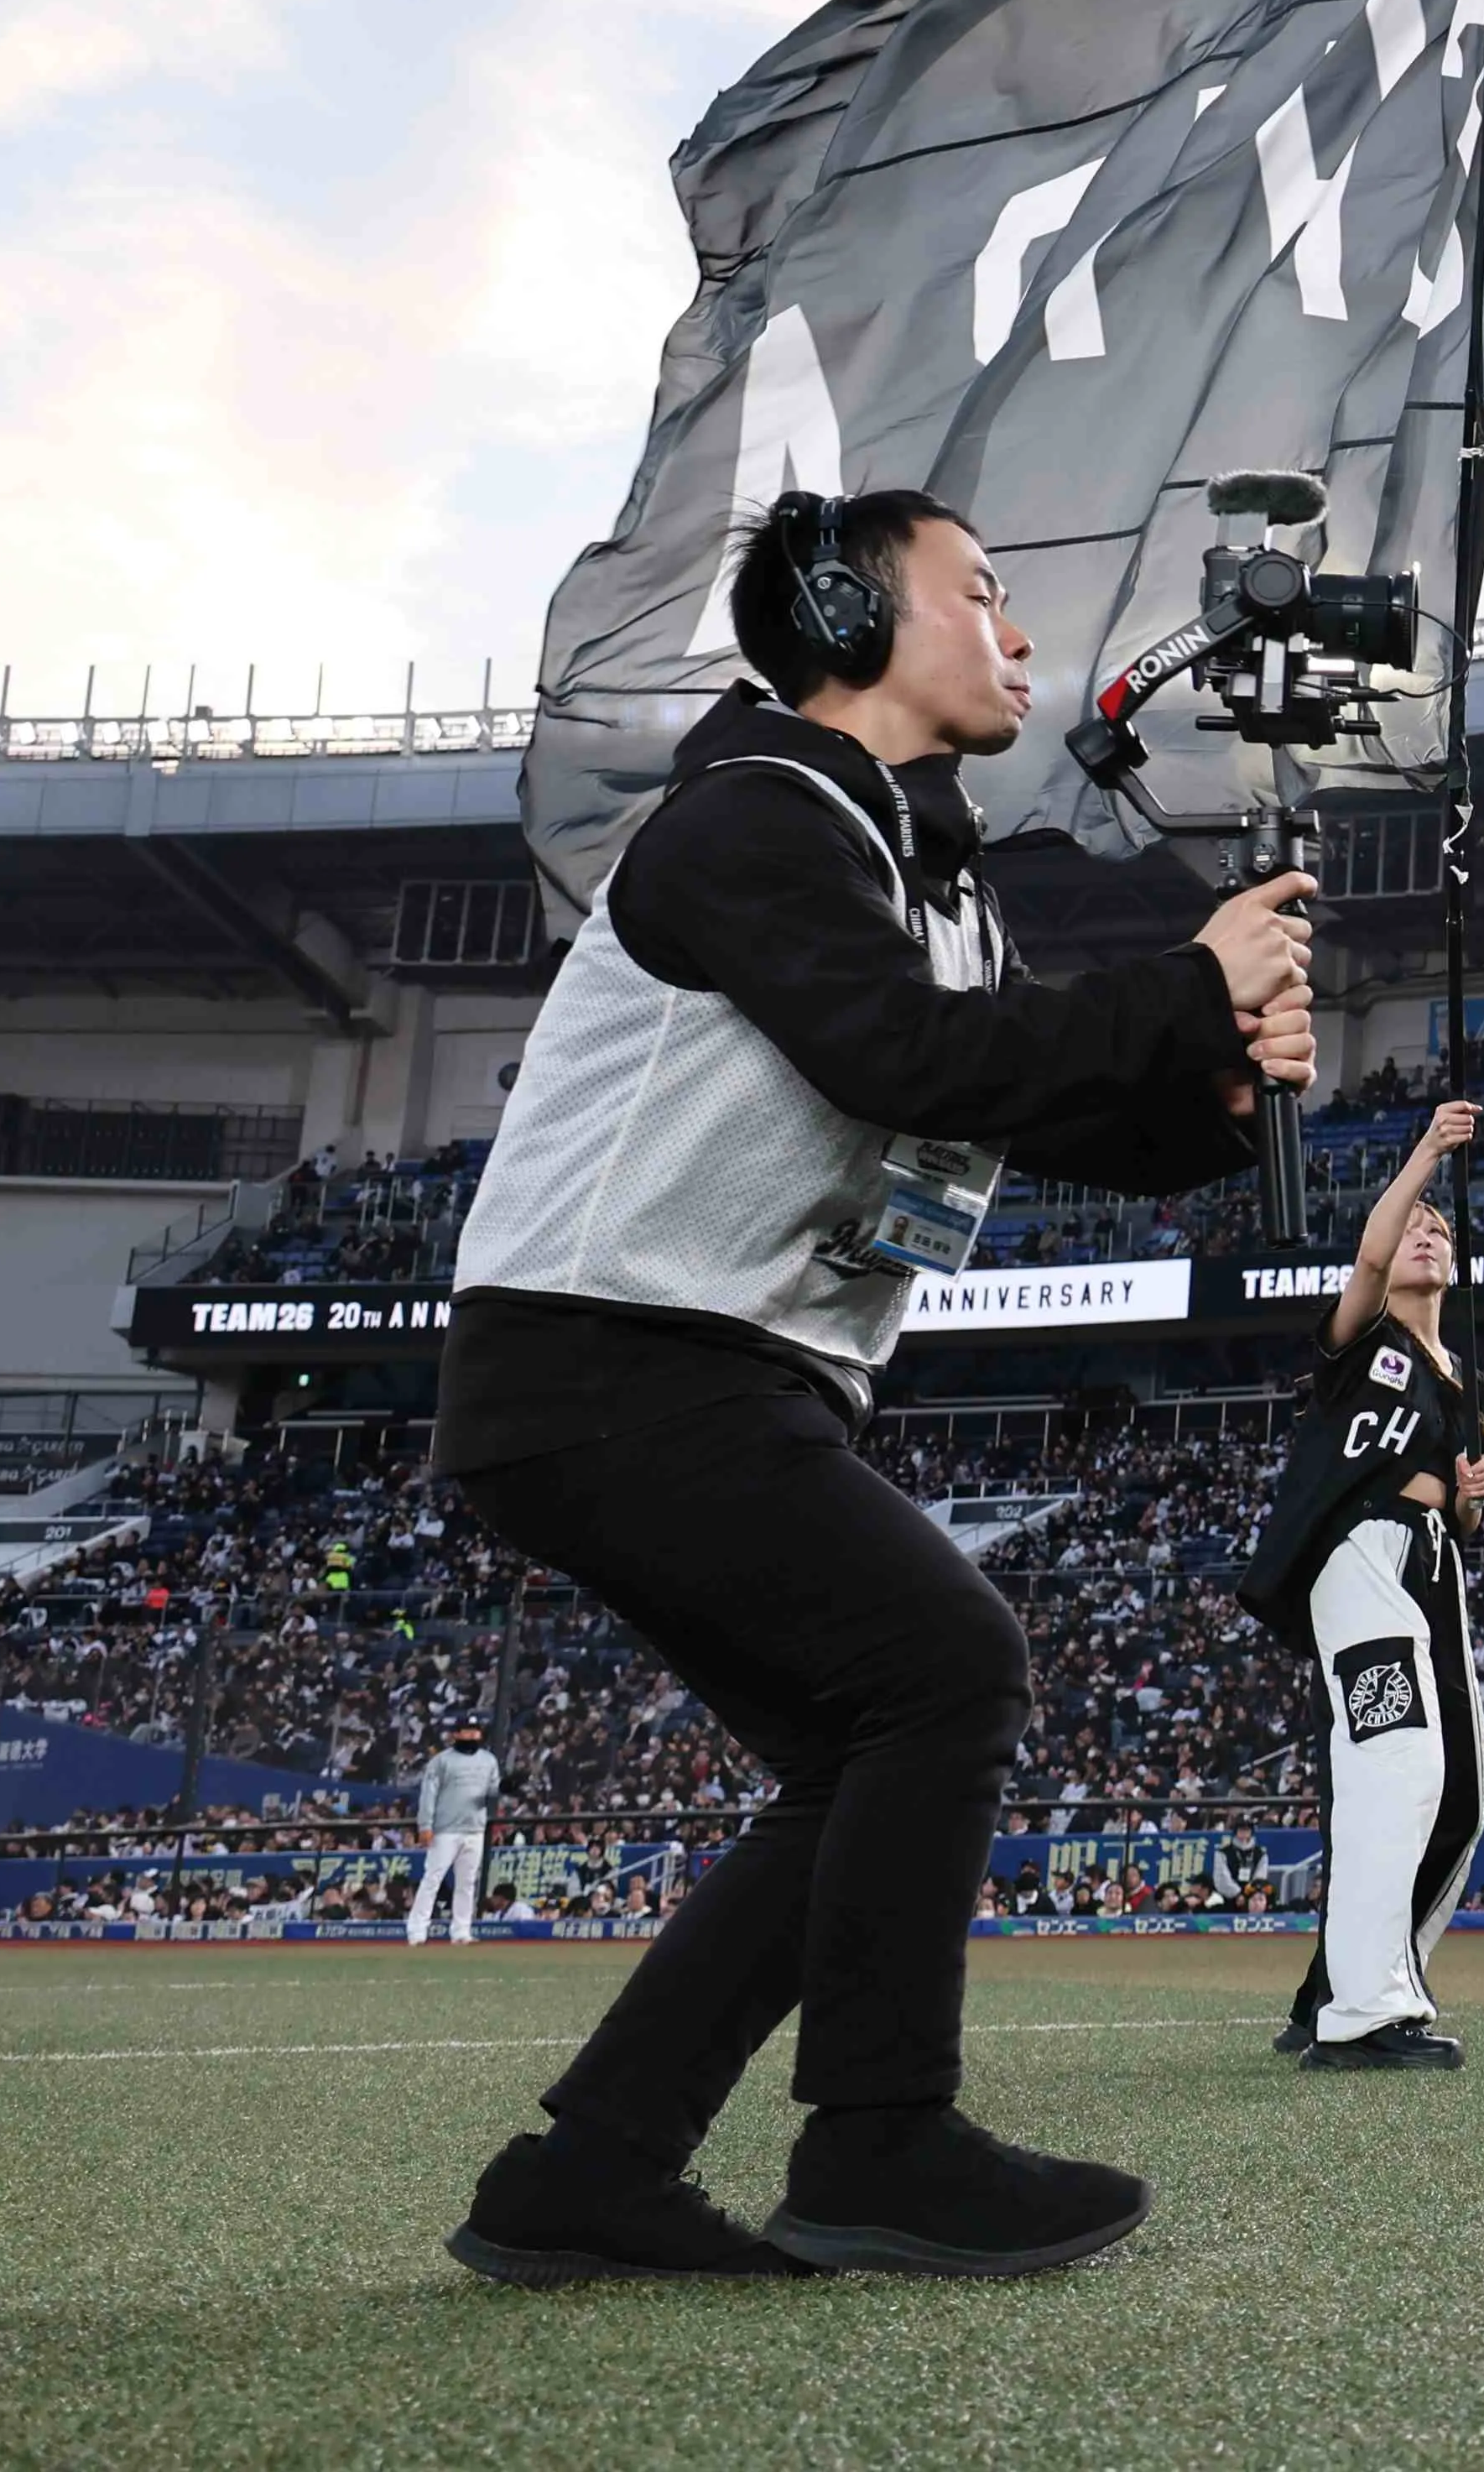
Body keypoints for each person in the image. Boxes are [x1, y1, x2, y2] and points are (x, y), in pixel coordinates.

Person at [430, 488, 1313, 2287]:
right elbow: (897, 1051)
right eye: (982, 594)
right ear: (847, 613)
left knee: (861, 1757)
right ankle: (881, 2139)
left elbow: (1025, 1097)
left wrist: (1211, 1083)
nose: (1022, 636)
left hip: (707, 1372)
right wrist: (1182, 986)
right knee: (946, 1662)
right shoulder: (751, 819)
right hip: (616, 1353)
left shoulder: (933, 877)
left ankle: (587, 2169)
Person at [1241, 1105, 1484, 2071]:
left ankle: (1345, 1989)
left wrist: (1474, 1500)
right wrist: (1429, 1153)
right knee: (1392, 1765)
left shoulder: (1461, 1378)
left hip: (1434, 1564)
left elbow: (1463, 1516)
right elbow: (1365, 1261)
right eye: (1417, 1227)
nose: (1429, 1233)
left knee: (1463, 1794)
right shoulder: (1362, 1339)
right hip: (1360, 1557)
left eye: (1443, 1229)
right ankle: (1363, 2016)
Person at [406, 1717, 501, 1947]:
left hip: (475, 1828)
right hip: (445, 1829)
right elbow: (428, 1796)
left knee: (467, 1882)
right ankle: (417, 1931)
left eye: (475, 1731)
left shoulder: (489, 1760)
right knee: (432, 1879)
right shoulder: (441, 1761)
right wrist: (425, 1826)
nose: (471, 1736)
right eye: (466, 1731)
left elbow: (493, 1792)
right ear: (456, 1734)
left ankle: (461, 1931)